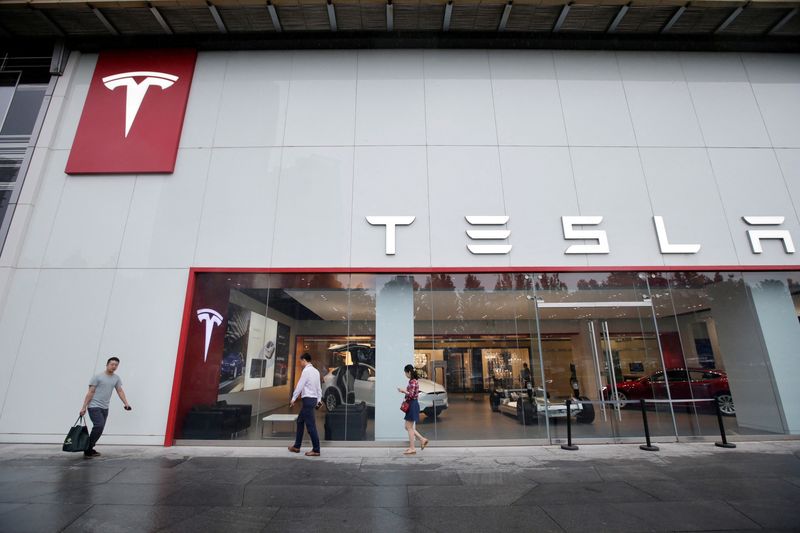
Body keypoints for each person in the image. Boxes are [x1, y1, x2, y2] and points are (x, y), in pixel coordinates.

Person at [79, 356, 132, 458]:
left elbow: (119, 391)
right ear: (107, 365)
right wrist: (83, 407)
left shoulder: (116, 378)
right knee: (99, 425)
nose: (114, 366)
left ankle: (89, 448)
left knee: (100, 428)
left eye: (116, 365)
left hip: (105, 407)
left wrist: (126, 403)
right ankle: (88, 448)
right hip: (94, 406)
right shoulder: (97, 377)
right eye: (112, 364)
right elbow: (90, 392)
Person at [288, 353, 322, 457]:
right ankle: (297, 446)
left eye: (300, 361)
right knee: (300, 421)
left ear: (304, 360)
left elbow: (300, 385)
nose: (300, 363)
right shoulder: (316, 371)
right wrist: (319, 399)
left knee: (311, 426)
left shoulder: (306, 371)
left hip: (307, 400)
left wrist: (293, 398)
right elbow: (319, 387)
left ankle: (316, 449)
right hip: (313, 399)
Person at [397, 364, 428, 455]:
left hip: (412, 404)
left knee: (409, 427)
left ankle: (412, 448)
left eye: (405, 373)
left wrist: (403, 390)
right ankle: (422, 439)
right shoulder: (413, 381)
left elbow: (411, 395)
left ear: (409, 372)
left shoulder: (412, 382)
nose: (405, 375)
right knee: (408, 427)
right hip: (412, 404)